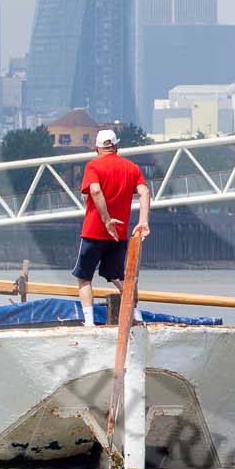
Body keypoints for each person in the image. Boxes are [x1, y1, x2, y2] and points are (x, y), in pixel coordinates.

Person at [75, 128, 149, 327]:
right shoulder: (132, 168)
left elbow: (95, 190)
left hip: (93, 232)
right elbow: (144, 192)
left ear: (96, 148)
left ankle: (89, 323)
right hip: (119, 235)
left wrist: (107, 220)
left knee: (84, 278)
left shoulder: (93, 166)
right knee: (120, 278)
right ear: (116, 146)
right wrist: (143, 221)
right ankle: (137, 316)